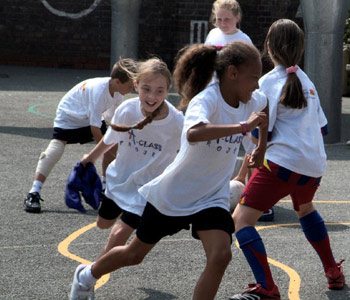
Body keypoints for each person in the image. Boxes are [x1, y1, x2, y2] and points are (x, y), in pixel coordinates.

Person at [68, 41, 268, 300]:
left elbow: (265, 108)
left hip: (211, 197)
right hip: (175, 194)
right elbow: (194, 133)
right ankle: (86, 275)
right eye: (253, 77)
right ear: (232, 73)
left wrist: (261, 146)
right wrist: (243, 127)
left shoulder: (251, 99)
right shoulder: (207, 100)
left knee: (221, 255)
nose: (257, 84)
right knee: (134, 254)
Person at [229, 19, 345, 300]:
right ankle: (333, 272)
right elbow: (323, 129)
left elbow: (262, 133)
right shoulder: (307, 81)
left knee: (241, 222)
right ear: (300, 48)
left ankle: (267, 288)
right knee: (305, 208)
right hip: (314, 164)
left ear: (268, 47)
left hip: (283, 163)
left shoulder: (268, 82)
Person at [79, 58, 184, 259]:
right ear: (136, 86)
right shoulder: (127, 110)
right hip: (120, 179)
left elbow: (186, 154)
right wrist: (89, 159)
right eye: (146, 89)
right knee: (103, 224)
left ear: (168, 90)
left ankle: (90, 276)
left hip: (147, 188)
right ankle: (117, 211)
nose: (152, 96)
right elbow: (110, 139)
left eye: (160, 91)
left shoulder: (177, 122)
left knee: (119, 233)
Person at [24, 58, 137, 213]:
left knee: (113, 141)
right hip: (69, 115)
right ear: (117, 81)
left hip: (88, 117)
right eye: (130, 86)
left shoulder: (117, 93)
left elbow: (113, 122)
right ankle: (33, 192)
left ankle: (105, 189)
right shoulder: (98, 91)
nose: (132, 89)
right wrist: (105, 150)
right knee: (56, 147)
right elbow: (94, 128)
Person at [205, 0, 274, 222]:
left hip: (240, 100)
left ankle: (261, 202)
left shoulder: (244, 41)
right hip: (217, 99)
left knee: (251, 146)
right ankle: (212, 195)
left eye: (227, 19)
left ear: (237, 18)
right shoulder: (212, 36)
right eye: (218, 18)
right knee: (213, 146)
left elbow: (252, 71)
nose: (222, 23)